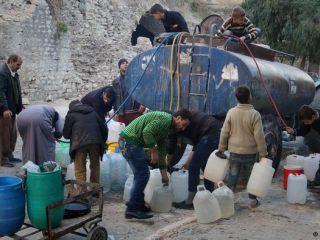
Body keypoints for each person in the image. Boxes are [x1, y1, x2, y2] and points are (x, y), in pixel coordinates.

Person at [119, 110, 192, 219]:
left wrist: (164, 175)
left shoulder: (166, 128)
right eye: (184, 124)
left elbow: (162, 151)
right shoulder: (166, 119)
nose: (183, 128)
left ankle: (137, 203)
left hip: (128, 142)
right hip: (129, 142)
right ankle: (132, 209)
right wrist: (153, 152)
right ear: (178, 118)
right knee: (143, 174)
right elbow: (147, 132)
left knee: (140, 174)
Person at [217, 86, 267, 208]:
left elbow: (224, 131)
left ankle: (228, 201)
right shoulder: (255, 114)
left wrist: (221, 148)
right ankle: (253, 202)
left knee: (233, 176)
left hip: (234, 151)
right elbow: (259, 135)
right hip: (250, 152)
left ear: (236, 98)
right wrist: (263, 153)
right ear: (250, 97)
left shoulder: (231, 112)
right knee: (251, 177)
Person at [166, 111, 222, 209]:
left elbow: (196, 145)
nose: (183, 128)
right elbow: (172, 145)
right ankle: (210, 196)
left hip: (212, 134)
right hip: (214, 133)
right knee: (205, 166)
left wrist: (188, 162)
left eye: (185, 125)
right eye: (182, 126)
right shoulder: (180, 124)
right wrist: (168, 162)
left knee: (193, 167)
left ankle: (190, 202)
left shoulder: (193, 122)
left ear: (181, 118)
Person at [63, 100, 108, 189]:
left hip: (79, 144)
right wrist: (103, 141)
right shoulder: (93, 112)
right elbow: (104, 128)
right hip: (95, 143)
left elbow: (66, 135)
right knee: (95, 166)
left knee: (80, 170)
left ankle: (82, 194)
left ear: (71, 108)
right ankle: (95, 191)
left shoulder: (71, 115)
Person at [0, 54, 23, 167]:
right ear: (12, 62)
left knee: (12, 136)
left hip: (12, 111)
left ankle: (9, 156)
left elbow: (16, 91)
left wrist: (20, 106)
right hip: (4, 112)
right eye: (18, 64)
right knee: (4, 136)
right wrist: (4, 108)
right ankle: (3, 160)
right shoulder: (2, 72)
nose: (19, 67)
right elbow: (1, 92)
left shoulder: (13, 73)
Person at [112, 59, 145, 125]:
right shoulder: (116, 82)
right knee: (125, 134)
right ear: (119, 67)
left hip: (136, 112)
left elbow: (143, 91)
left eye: (127, 63)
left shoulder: (136, 78)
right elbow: (115, 98)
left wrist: (143, 104)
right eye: (123, 63)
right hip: (123, 113)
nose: (126, 64)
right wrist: (116, 112)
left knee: (137, 133)